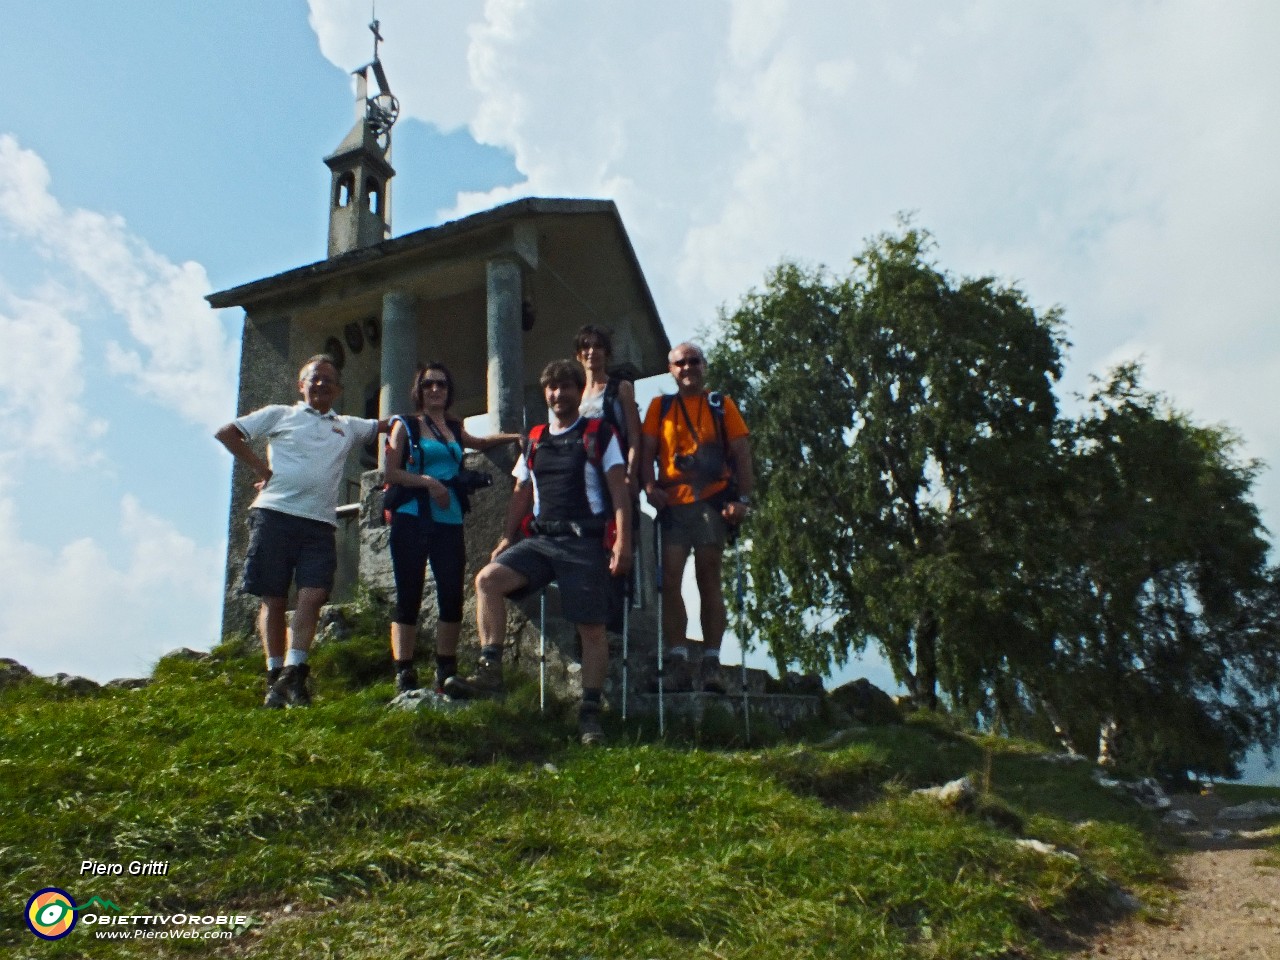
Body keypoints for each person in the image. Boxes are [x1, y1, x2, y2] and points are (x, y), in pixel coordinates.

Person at [445, 360, 632, 746]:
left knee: (592, 630)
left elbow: (619, 491)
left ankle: (590, 713)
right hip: (542, 540)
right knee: (488, 580)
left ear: (579, 391)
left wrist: (622, 542)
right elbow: (521, 492)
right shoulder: (534, 439)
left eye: (565, 387)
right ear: (545, 393)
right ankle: (490, 669)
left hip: (584, 541)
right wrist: (505, 536)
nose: (557, 394)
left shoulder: (599, 433)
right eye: (551, 388)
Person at [214, 355, 386, 708]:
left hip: (320, 523)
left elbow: (388, 425)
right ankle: (275, 676)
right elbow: (226, 433)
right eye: (315, 378)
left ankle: (295, 670)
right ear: (301, 384)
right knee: (274, 598)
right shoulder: (281, 414)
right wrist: (261, 467)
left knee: (313, 595)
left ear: (339, 390)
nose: (321, 384)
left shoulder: (347, 425)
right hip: (274, 514)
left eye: (329, 380)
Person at [383, 363, 521, 694]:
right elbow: (390, 472)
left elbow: (482, 442)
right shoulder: (406, 426)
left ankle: (445, 668)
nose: (435, 389)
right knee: (409, 594)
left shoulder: (455, 429)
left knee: (451, 595)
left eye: (442, 385)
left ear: (448, 391)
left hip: (450, 519)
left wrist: (517, 437)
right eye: (428, 384)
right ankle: (404, 671)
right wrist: (430, 482)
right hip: (412, 515)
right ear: (419, 390)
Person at [640, 342, 754, 694]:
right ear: (670, 369)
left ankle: (711, 661)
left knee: (709, 578)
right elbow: (645, 452)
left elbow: (741, 452)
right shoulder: (660, 407)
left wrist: (744, 500)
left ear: (704, 366)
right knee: (670, 579)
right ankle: (677, 659)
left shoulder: (721, 405)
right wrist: (648, 486)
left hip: (711, 501)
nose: (687, 367)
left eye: (694, 361)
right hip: (673, 503)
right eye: (680, 363)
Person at [575, 325, 642, 491]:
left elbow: (634, 435)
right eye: (586, 346)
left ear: (607, 353)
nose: (592, 351)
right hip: (585, 474)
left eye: (598, 346)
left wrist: (631, 474)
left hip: (616, 469)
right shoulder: (576, 395)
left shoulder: (621, 388)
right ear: (578, 355)